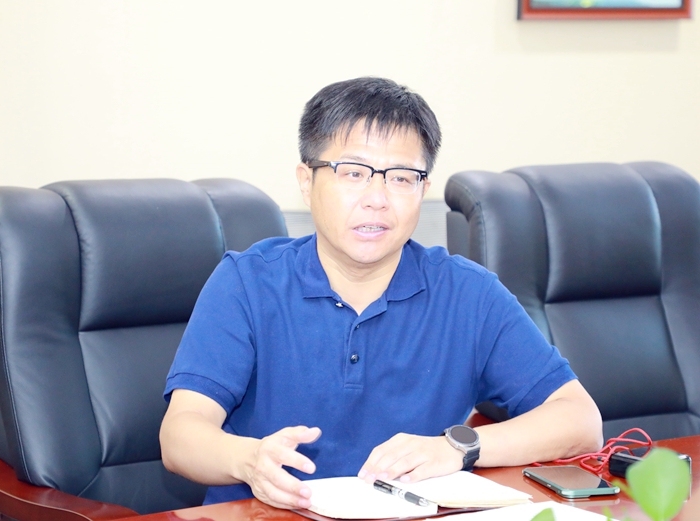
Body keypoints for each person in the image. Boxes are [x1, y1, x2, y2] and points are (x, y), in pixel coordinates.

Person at [160, 77, 603, 510]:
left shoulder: (468, 293)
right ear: (306, 181)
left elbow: (580, 420)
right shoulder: (247, 282)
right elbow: (180, 435)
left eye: (401, 178)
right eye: (353, 173)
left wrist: (458, 447)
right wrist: (248, 459)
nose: (377, 198)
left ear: (423, 189)